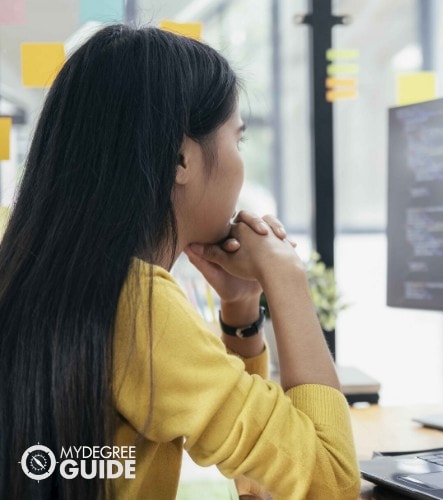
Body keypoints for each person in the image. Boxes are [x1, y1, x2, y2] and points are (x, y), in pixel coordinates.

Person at [0, 24, 359, 499]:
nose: (239, 163)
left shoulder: (43, 273)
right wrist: (286, 278)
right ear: (180, 159)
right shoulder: (138, 307)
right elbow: (329, 484)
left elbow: (265, 477)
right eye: (239, 139)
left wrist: (241, 314)